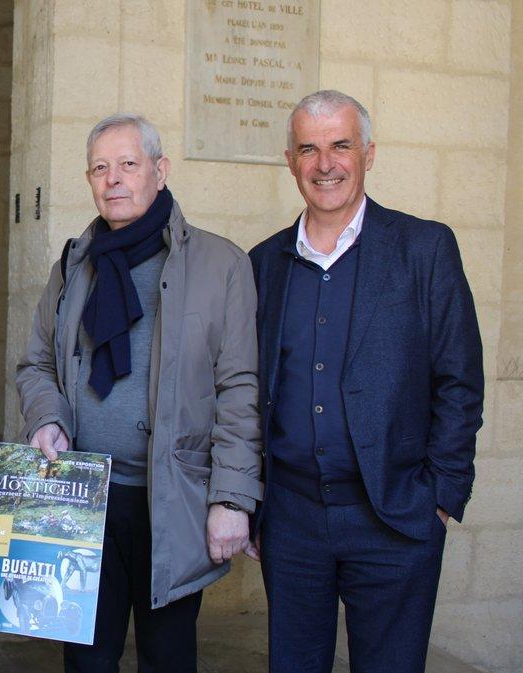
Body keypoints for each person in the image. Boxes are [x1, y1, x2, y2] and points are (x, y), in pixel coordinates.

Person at [15, 114, 262, 673]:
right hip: (83, 497)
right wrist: (46, 418)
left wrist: (232, 499)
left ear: (160, 170)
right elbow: (35, 363)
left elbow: (239, 390)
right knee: (86, 660)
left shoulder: (220, 264)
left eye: (128, 164)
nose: (114, 179)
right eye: (100, 168)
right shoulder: (75, 263)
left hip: (172, 498)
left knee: (167, 657)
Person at [248, 90, 483, 673]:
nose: (325, 163)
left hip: (397, 518)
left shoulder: (424, 249)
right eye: (309, 149)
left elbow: (460, 380)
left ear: (368, 154)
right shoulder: (262, 264)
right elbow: (247, 391)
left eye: (340, 146)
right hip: (293, 521)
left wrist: (441, 499)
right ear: (290, 160)